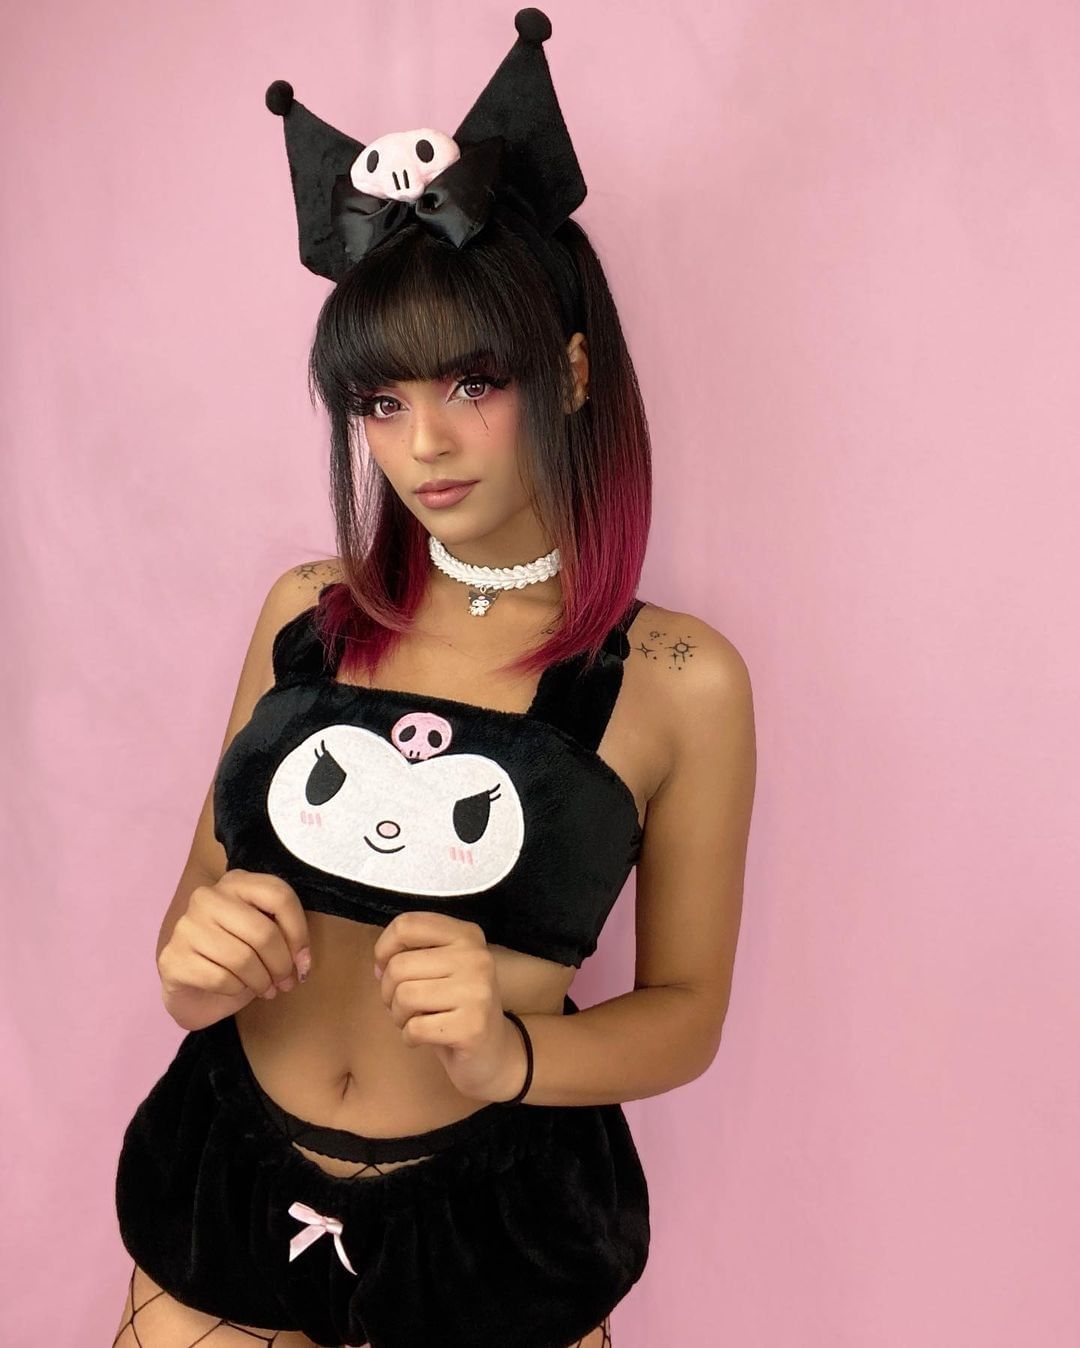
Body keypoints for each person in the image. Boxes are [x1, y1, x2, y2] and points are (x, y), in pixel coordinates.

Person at [111, 9, 756, 1347]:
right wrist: (193, 972)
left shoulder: (678, 679)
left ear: (568, 371)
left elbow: (686, 1016)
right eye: (381, 402)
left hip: (494, 1229)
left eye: (472, 382)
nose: (424, 446)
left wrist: (512, 1053)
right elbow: (196, 913)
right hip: (224, 1189)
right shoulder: (308, 615)